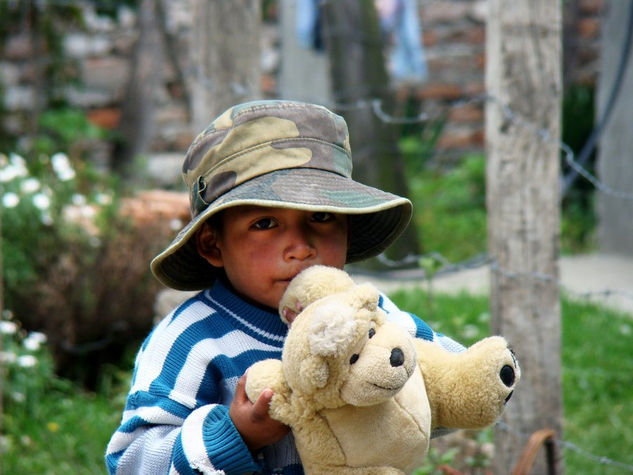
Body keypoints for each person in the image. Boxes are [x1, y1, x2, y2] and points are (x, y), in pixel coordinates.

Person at [105, 100, 463, 474]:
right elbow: (133, 461)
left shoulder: (367, 313)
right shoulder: (192, 340)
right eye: (264, 223)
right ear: (213, 244)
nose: (301, 247)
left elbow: (446, 377)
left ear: (348, 227)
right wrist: (237, 435)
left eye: (322, 217)